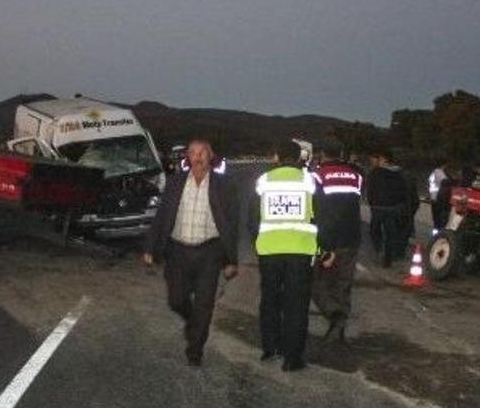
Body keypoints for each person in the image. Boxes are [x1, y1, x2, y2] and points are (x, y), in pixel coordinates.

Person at [143, 138, 239, 367]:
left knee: (204, 304)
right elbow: (161, 217)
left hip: (209, 252)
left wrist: (230, 260)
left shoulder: (224, 185)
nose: (197, 157)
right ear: (188, 157)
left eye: (202, 153)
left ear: (211, 156)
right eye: (193, 153)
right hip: (177, 252)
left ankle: (195, 349)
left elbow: (231, 224)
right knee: (176, 299)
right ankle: (193, 322)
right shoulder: (176, 183)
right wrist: (150, 247)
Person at [247, 139, 320, 371]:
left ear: (276, 157)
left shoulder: (264, 181)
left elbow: (252, 218)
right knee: (296, 304)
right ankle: (292, 358)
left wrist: (258, 241)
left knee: (270, 300)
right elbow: (320, 215)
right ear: (300, 157)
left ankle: (270, 348)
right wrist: (323, 247)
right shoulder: (309, 180)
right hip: (300, 250)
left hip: (269, 250)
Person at [311, 146, 363, 344]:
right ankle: (338, 330)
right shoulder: (356, 176)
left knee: (317, 283)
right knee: (343, 284)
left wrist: (324, 245)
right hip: (351, 236)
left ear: (322, 155)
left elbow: (319, 209)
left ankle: (335, 316)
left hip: (327, 237)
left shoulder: (317, 176)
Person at [365, 149, 408, 268]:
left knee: (375, 230)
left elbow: (370, 189)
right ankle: (387, 258)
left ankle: (379, 251)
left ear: (384, 160)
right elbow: (403, 190)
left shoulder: (375, 173)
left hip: (378, 207)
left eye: (380, 159)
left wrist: (371, 202)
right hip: (392, 207)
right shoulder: (399, 173)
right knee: (390, 234)